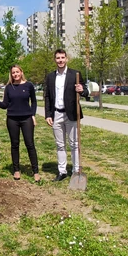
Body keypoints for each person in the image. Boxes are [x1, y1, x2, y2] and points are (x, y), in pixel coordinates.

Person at [43, 49, 88, 182]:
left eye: (62, 57)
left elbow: (85, 90)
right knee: (60, 144)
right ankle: (62, 171)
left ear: (66, 59)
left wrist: (82, 90)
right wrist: (48, 114)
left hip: (72, 114)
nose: (60, 60)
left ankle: (76, 170)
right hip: (56, 113)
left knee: (74, 143)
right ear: (55, 60)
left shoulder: (75, 74)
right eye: (58, 58)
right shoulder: (51, 77)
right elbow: (47, 97)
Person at [0, 64, 39, 181]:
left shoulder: (29, 86)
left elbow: (34, 102)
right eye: (13, 73)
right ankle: (16, 170)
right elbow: (5, 104)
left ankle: (35, 171)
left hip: (26, 118)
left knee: (30, 144)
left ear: (21, 72)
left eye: (17, 72)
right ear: (11, 74)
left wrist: (32, 115)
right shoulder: (9, 87)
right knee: (15, 144)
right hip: (12, 119)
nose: (15, 74)